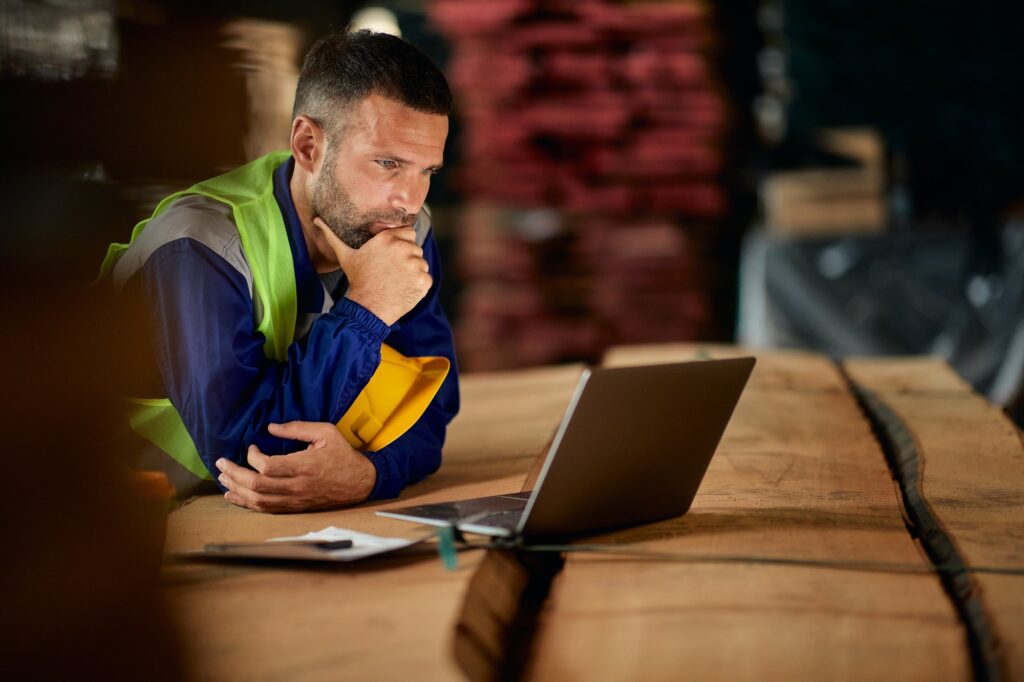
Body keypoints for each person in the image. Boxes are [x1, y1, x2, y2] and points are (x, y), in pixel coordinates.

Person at [101, 29, 459, 512]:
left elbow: (432, 409)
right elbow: (252, 461)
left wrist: (372, 474)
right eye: (387, 163)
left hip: (225, 520)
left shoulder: (400, 229)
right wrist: (367, 308)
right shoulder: (198, 245)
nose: (410, 200)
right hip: (103, 526)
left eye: (426, 171)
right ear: (308, 144)